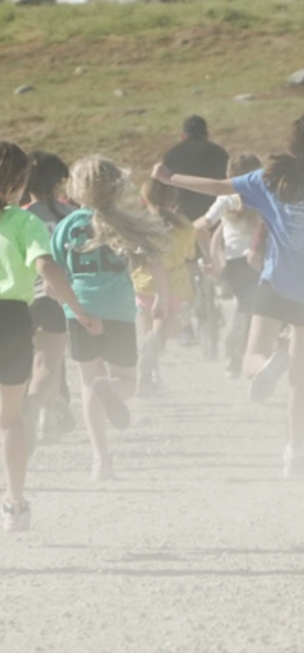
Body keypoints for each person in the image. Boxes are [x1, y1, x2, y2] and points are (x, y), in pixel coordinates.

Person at [156, 115, 304, 478]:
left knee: (253, 356)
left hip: (274, 287)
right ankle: (295, 454)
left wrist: (169, 178)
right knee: (300, 378)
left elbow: (218, 187)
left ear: (290, 147)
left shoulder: (267, 181)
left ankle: (268, 366)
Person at [0, 141, 103, 531]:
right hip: (11, 318)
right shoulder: (23, 222)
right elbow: (46, 266)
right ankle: (14, 506)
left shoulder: (27, 217)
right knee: (9, 418)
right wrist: (78, 309)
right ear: (19, 183)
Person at [50, 157, 169, 482]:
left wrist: (62, 303)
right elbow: (153, 262)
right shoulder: (124, 222)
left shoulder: (66, 224)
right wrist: (160, 296)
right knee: (127, 381)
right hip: (116, 310)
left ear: (75, 188)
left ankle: (101, 461)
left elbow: (55, 271)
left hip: (79, 310)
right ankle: (112, 388)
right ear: (117, 185)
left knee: (89, 382)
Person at [21, 151, 77, 441]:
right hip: (57, 297)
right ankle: (43, 413)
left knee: (27, 358)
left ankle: (40, 407)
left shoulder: (19, 216)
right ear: (59, 182)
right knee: (50, 361)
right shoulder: (72, 216)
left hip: (21, 297)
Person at [197, 153, 266, 380]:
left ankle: (241, 356)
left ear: (229, 175)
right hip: (262, 258)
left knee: (247, 306)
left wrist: (212, 258)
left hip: (235, 264)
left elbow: (203, 226)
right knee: (256, 307)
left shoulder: (226, 199)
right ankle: (244, 354)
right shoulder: (265, 195)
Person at [133, 179, 195, 396]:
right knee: (160, 333)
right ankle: (152, 374)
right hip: (173, 286)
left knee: (148, 331)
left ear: (143, 200)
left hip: (144, 285)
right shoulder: (184, 226)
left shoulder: (139, 225)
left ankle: (147, 379)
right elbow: (189, 254)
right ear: (174, 201)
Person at [160, 115, 228, 222]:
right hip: (214, 212)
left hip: (184, 214)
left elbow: (163, 189)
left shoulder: (171, 155)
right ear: (207, 135)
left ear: (182, 136)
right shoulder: (219, 153)